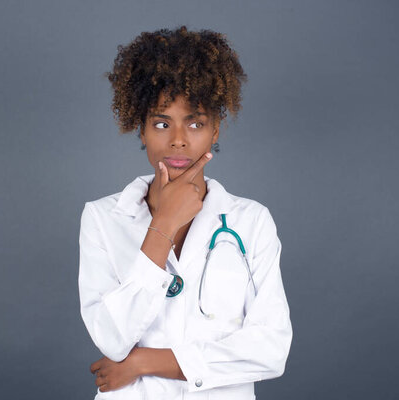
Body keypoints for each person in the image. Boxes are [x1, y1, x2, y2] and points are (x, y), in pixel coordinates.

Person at [78, 26, 292, 400]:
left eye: (195, 123)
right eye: (162, 123)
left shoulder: (251, 221)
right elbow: (111, 338)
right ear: (141, 130)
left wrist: (144, 362)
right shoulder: (102, 218)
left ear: (215, 131)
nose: (178, 139)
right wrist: (162, 226)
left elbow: (270, 350)